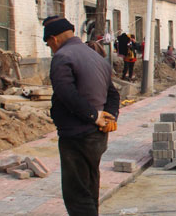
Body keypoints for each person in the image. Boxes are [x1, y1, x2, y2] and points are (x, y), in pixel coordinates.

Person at [42, 16, 120, 215]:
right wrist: (110, 116)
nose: (51, 49)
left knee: (77, 195)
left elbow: (66, 93)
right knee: (90, 188)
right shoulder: (96, 57)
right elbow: (113, 94)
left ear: (53, 39)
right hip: (97, 136)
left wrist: (94, 115)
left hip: (77, 135)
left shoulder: (63, 57)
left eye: (49, 44)